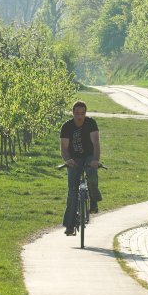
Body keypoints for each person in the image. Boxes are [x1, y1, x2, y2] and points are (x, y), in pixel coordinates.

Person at [60, 100, 102, 236]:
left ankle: (93, 201)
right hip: (74, 159)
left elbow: (96, 143)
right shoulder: (66, 127)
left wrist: (95, 160)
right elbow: (64, 148)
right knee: (72, 191)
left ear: (85, 114)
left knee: (92, 173)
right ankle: (69, 225)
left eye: (82, 113)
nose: (80, 116)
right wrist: (68, 160)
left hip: (89, 156)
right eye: (77, 113)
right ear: (73, 113)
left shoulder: (91, 123)